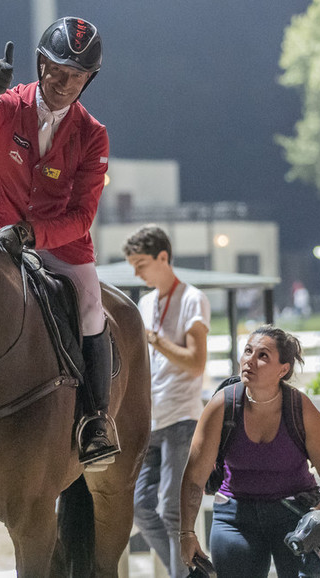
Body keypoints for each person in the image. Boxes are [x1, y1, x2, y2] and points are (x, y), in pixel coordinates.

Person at [0, 17, 118, 468]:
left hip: (58, 241)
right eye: (59, 71)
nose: (66, 84)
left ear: (89, 79)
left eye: (79, 76)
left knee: (90, 307)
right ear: (41, 63)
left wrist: (33, 234)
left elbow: (83, 215)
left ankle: (95, 419)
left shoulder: (93, 134)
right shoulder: (8, 105)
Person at [179, 325, 320, 578]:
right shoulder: (221, 407)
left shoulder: (300, 409)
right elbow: (194, 477)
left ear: (283, 369)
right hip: (235, 516)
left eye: (263, 355)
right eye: (248, 351)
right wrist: (187, 533)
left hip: (293, 515)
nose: (250, 360)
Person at [123, 225, 211, 578]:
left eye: (141, 263)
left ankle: (185, 573)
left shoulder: (192, 298)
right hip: (151, 418)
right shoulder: (145, 302)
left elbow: (196, 362)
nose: (136, 272)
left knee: (171, 511)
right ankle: (188, 573)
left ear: (164, 257)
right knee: (139, 508)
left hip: (182, 418)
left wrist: (154, 340)